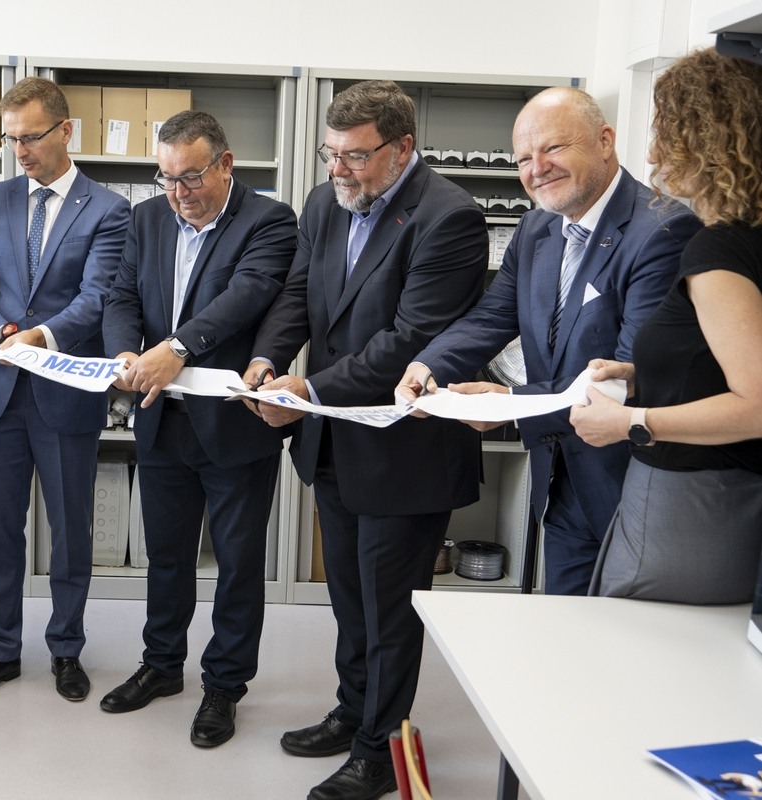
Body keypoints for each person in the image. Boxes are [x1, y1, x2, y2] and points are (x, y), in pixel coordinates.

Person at [244, 80, 489, 800]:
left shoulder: (449, 218)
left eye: (355, 156)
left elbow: (410, 338)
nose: (338, 169)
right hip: (335, 443)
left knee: (389, 611)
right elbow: (297, 292)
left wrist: (310, 391)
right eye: (331, 154)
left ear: (403, 147)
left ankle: (380, 752)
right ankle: (354, 713)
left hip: (404, 450)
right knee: (350, 599)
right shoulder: (326, 202)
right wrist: (267, 360)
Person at [395, 86, 701, 596]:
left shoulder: (663, 231)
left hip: (629, 484)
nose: (537, 168)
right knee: (568, 627)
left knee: (624, 635)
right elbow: (494, 315)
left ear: (605, 140)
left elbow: (632, 375)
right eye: (523, 158)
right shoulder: (537, 227)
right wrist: (429, 364)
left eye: (553, 148)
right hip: (559, 481)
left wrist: (513, 405)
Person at [100, 110, 297, 747]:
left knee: (237, 563)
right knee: (166, 555)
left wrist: (176, 349)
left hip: (234, 424)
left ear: (225, 164)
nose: (178, 193)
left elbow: (249, 294)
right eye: (166, 179)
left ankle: (224, 686)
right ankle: (161, 665)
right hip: (162, 418)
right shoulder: (146, 219)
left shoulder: (269, 220)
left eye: (190, 177)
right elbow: (122, 295)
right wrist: (125, 351)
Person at [0, 77, 129, 703]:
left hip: (64, 391)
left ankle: (66, 650)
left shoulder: (108, 209)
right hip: (1, 390)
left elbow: (97, 296)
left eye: (30, 137)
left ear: (65, 131)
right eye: (10, 139)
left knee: (70, 530)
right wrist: (2, 332)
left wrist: (41, 337)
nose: (20, 151)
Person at [569, 48, 762, 604]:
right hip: (724, 496)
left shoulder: (718, 250)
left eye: (669, 133)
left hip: (692, 502)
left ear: (710, 140)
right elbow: (725, 360)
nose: (653, 153)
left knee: (637, 642)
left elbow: (755, 403)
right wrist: (641, 374)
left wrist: (630, 422)